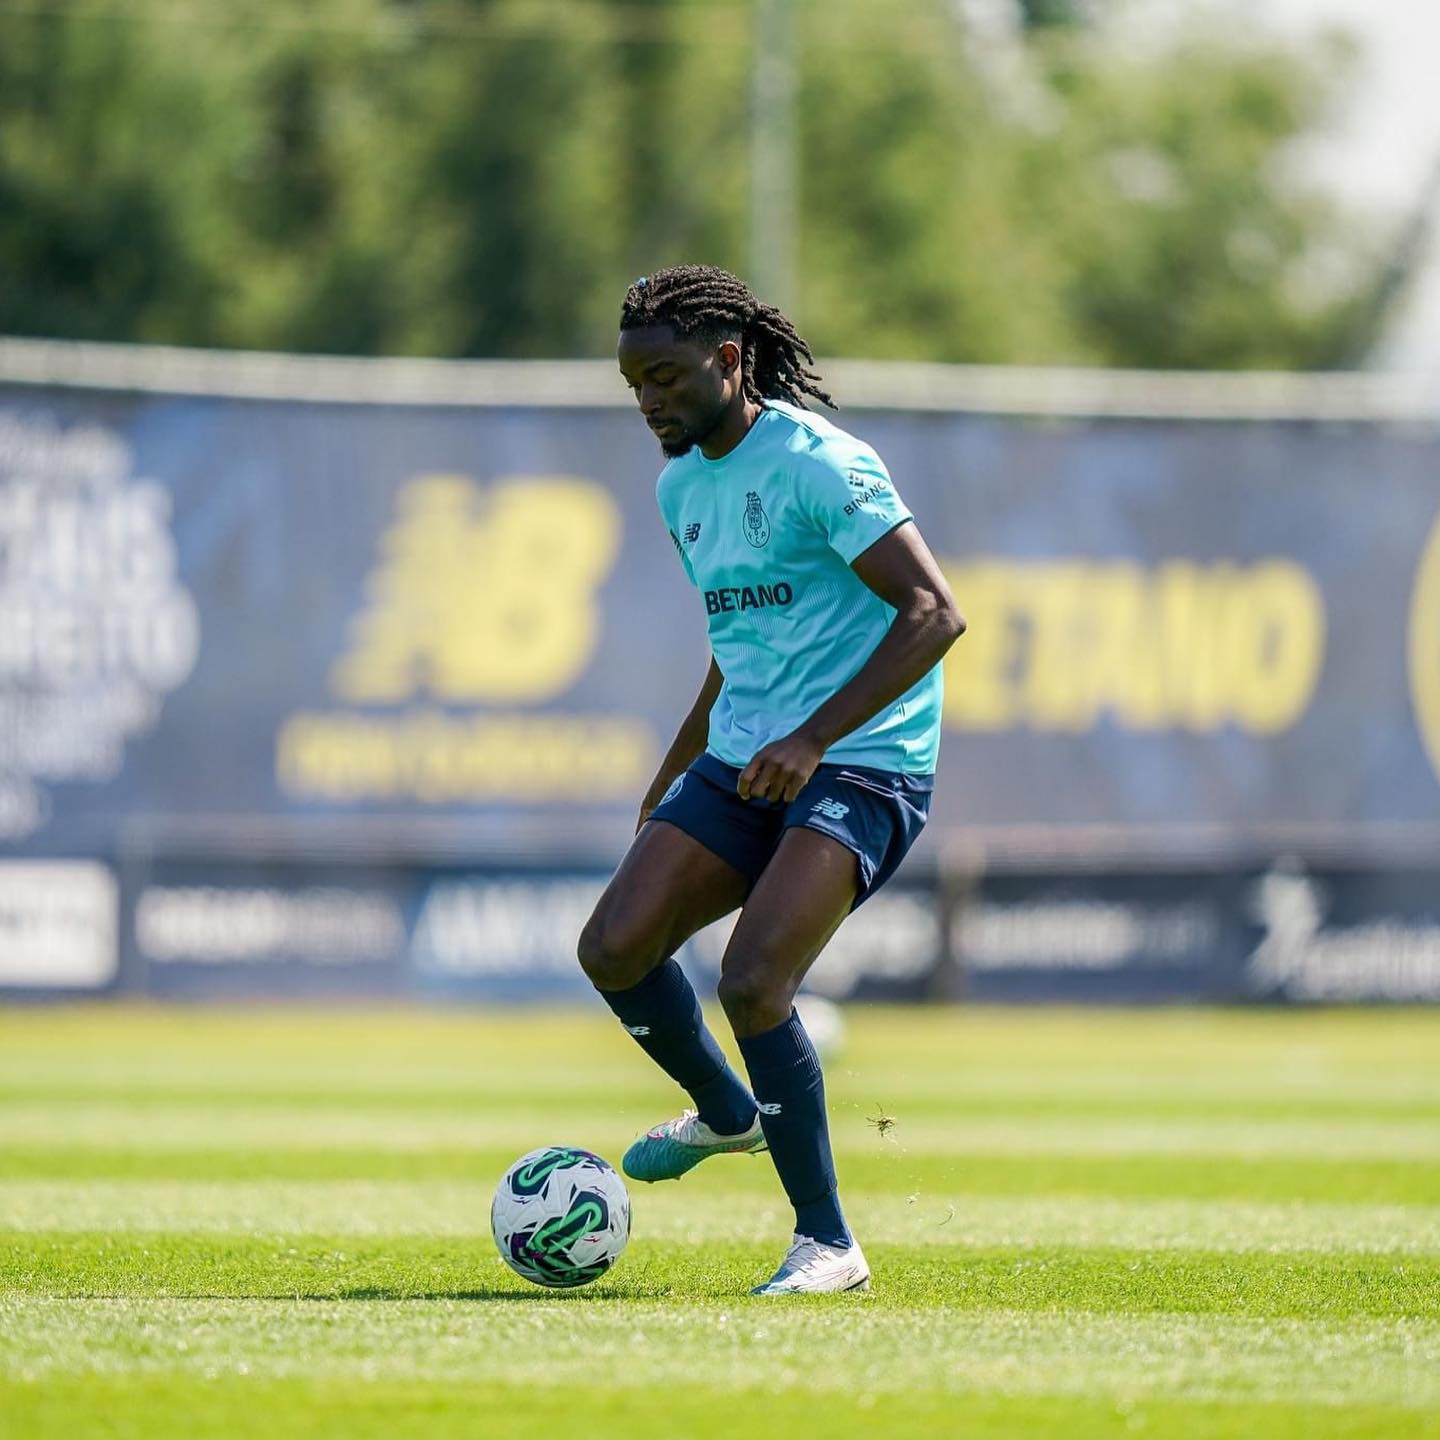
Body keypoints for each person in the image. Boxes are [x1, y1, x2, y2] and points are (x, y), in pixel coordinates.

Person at [578, 264, 965, 1295]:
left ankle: (828, 1245)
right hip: (746, 752)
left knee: (753, 981)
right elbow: (737, 642)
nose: (649, 401)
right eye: (635, 384)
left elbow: (935, 612)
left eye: (666, 377)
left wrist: (813, 737)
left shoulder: (819, 463)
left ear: (729, 359)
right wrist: (675, 770)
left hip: (867, 759)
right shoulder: (680, 488)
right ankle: (726, 1114)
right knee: (613, 946)